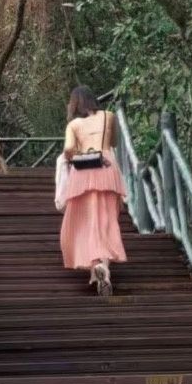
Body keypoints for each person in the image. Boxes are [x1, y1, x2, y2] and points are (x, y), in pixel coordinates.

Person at [59, 85, 127, 295]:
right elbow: (113, 142)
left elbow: (68, 149)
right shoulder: (109, 116)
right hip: (107, 169)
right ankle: (103, 270)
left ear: (75, 104)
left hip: (83, 173)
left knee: (86, 223)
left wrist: (74, 154)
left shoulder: (74, 125)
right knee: (107, 221)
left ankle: (96, 267)